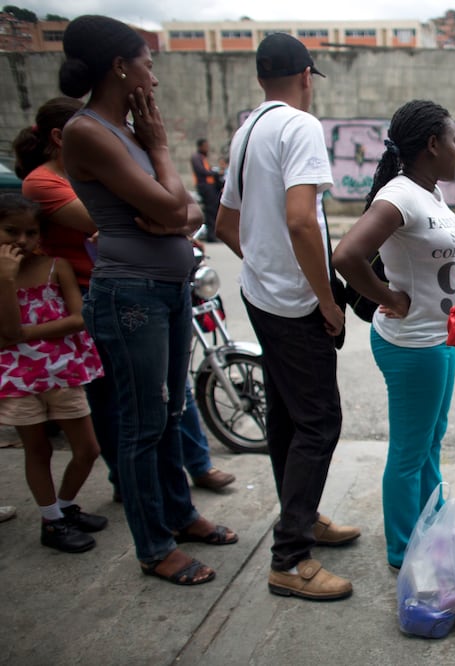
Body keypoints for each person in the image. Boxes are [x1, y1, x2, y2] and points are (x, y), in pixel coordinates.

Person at [60, 15, 236, 585]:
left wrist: (169, 204)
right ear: (120, 67)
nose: (153, 79)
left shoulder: (132, 133)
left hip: (168, 288)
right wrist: (162, 157)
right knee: (141, 425)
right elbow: (170, 210)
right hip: (129, 294)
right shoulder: (88, 132)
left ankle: (179, 516)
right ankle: (154, 546)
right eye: (147, 64)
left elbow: (188, 212)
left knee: (172, 412)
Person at [13, 97, 235, 499]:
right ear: (62, 137)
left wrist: (166, 214)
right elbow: (129, 219)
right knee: (121, 402)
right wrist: (164, 211)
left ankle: (193, 469)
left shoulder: (107, 173)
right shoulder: (44, 183)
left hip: (151, 283)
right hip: (94, 293)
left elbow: (185, 211)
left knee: (172, 391)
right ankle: (132, 486)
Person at [215, 32, 358, 601]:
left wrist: (267, 266)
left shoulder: (247, 130)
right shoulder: (299, 126)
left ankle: (300, 516)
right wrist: (326, 301)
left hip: (261, 295)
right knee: (320, 422)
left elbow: (227, 223)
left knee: (288, 418)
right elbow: (302, 221)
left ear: (260, 79)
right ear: (306, 76)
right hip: (297, 304)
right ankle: (290, 559)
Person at [333, 100, 455, 570]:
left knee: (432, 441)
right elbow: (347, 255)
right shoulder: (401, 195)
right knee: (410, 451)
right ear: (432, 144)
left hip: (439, 339)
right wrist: (388, 297)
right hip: (413, 345)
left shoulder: (429, 192)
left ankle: (433, 526)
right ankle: (404, 550)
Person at [0, 194, 106, 552]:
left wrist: (23, 336)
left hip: (63, 371)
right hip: (18, 379)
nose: (21, 241)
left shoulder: (55, 266)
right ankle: (51, 521)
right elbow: (6, 326)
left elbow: (78, 319)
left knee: (88, 448)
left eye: (30, 233)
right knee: (38, 450)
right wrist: (5, 280)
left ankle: (62, 507)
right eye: (10, 231)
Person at [191, 139, 221, 242]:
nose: (207, 148)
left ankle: (213, 234)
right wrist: (213, 173)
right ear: (200, 147)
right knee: (210, 211)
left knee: (213, 210)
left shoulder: (203, 158)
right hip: (205, 187)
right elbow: (201, 171)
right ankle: (211, 236)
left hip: (210, 187)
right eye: (205, 146)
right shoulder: (196, 157)